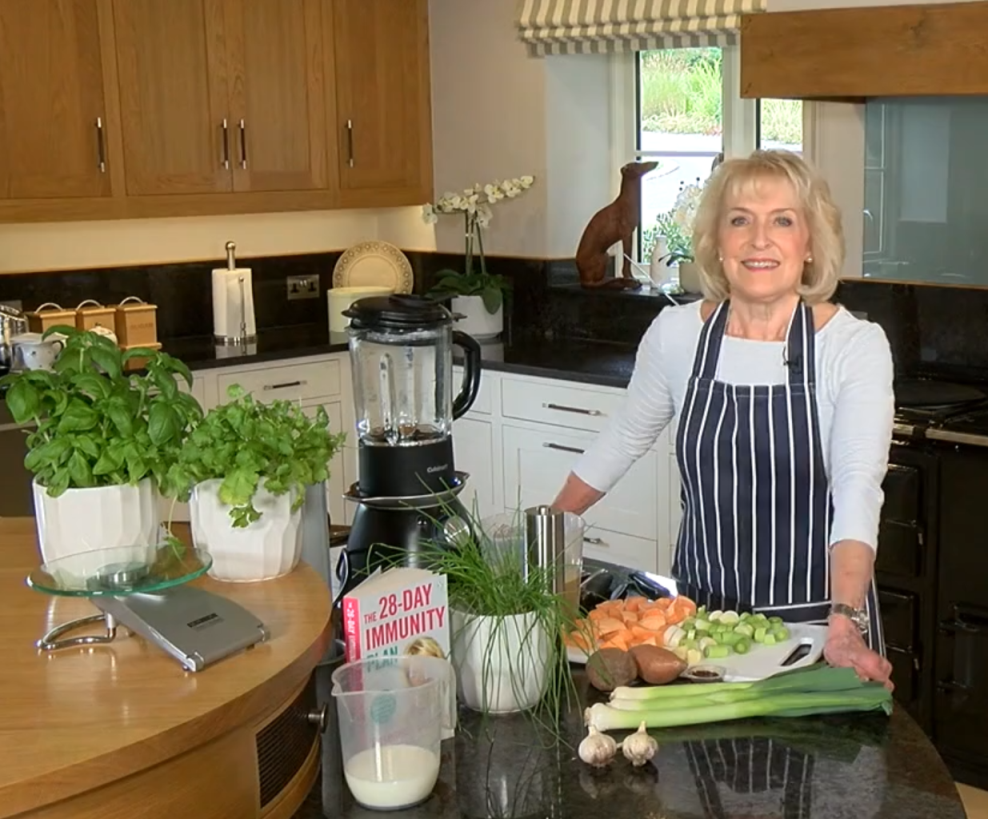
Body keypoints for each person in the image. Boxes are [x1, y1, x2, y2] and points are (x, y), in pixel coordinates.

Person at [553, 150, 895, 688]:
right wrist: (542, 539)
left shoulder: (851, 347)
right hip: (701, 628)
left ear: (810, 243)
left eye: (782, 221)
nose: (759, 240)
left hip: (817, 631)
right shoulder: (677, 335)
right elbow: (619, 442)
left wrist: (846, 622)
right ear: (717, 241)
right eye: (740, 220)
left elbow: (857, 487)